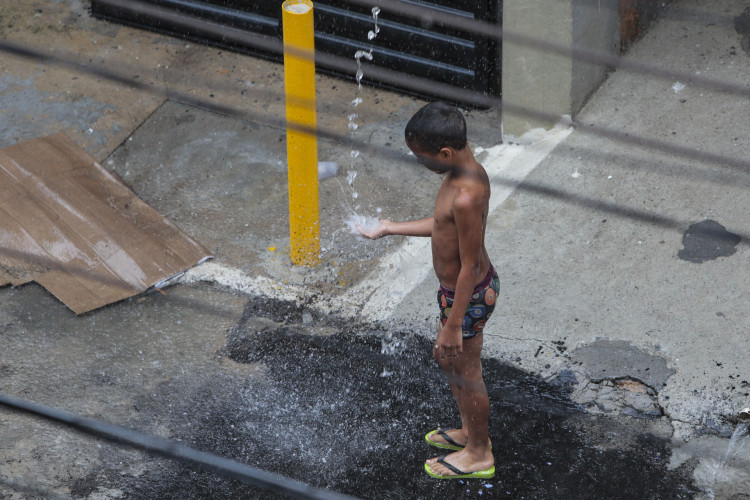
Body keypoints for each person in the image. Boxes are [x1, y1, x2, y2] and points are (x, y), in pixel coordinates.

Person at [358, 102, 497, 480]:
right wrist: (389, 227)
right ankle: (470, 432)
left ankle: (479, 454)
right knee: (447, 360)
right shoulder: (459, 172)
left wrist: (453, 325)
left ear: (446, 153)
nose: (420, 164)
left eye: (422, 158)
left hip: (467, 297)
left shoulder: (467, 194)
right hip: (456, 294)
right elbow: (441, 225)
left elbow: (469, 266)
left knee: (467, 371)